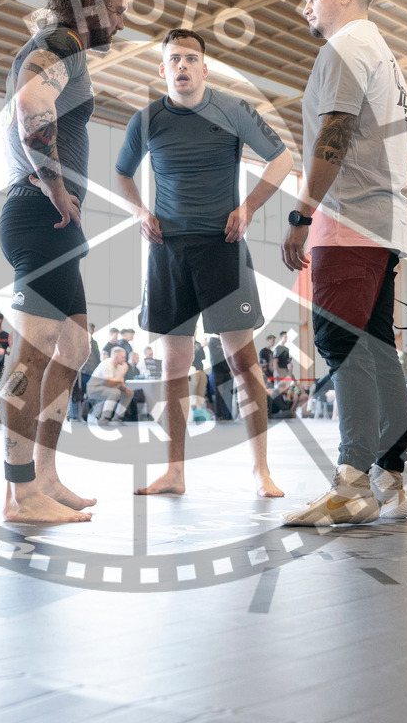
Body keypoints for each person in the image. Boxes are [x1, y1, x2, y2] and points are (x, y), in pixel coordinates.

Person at [115, 26, 291, 497]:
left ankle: (261, 470)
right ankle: (174, 472)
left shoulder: (232, 109)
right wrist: (138, 210)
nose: (183, 66)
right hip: (167, 251)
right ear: (162, 69)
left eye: (191, 58)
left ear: (205, 67)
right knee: (174, 367)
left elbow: (282, 158)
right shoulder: (147, 119)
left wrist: (249, 206)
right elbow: (121, 172)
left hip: (222, 247)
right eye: (174, 59)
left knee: (243, 362)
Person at [0, 0, 127, 524]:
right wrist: (53, 187)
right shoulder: (64, 45)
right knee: (33, 351)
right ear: (90, 4)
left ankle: (46, 476)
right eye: (116, 9)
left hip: (58, 225)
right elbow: (31, 105)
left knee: (74, 348)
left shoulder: (57, 48)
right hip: (38, 215)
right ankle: (20, 495)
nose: (120, 22)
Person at [281, 0, 407, 527]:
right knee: (378, 349)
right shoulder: (383, 53)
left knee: (343, 343)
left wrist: (301, 212)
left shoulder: (346, 47)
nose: (306, 7)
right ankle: (389, 477)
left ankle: (352, 483)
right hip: (383, 223)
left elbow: (333, 134)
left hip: (350, 219)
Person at [85, 346, 133, 423]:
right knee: (115, 392)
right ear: (116, 357)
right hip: (94, 389)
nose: (125, 360)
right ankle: (104, 418)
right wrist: (124, 371)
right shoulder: (106, 364)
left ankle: (117, 417)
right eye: (123, 357)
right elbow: (110, 383)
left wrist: (126, 390)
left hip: (107, 389)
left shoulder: (121, 366)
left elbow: (119, 383)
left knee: (128, 393)